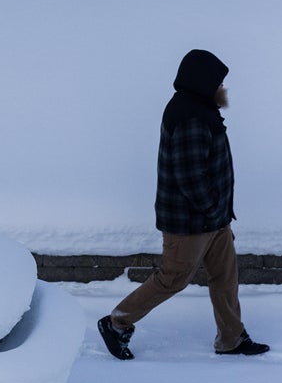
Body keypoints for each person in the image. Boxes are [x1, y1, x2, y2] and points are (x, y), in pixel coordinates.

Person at [98, 49, 270, 360]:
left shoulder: (200, 108)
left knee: (225, 276)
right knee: (172, 279)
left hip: (213, 218)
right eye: (219, 83)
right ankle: (116, 323)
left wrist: (218, 214)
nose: (223, 89)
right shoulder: (189, 116)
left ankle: (231, 338)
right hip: (190, 223)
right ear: (203, 82)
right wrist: (213, 209)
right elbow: (190, 177)